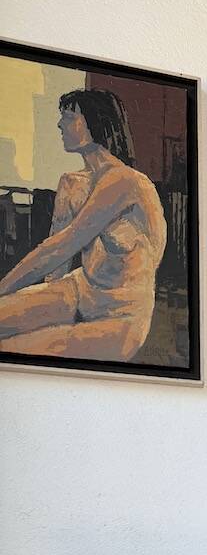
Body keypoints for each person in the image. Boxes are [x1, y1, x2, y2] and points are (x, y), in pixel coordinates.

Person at [0, 89, 166, 361]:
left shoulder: (126, 181)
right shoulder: (71, 183)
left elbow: (60, 247)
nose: (59, 124)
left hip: (120, 317)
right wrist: (44, 307)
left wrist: (3, 287)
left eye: (68, 117)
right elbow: (56, 266)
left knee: (9, 351)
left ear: (95, 122)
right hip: (78, 291)